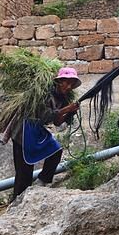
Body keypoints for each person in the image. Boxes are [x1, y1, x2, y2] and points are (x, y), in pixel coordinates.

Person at [5, 67, 81, 202]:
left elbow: (57, 122)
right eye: (66, 82)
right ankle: (16, 202)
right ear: (59, 81)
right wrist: (66, 109)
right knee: (24, 173)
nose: (68, 86)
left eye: (71, 84)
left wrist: (69, 113)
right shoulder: (43, 93)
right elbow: (44, 115)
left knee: (56, 150)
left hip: (37, 131)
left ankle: (43, 180)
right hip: (23, 131)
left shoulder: (63, 98)